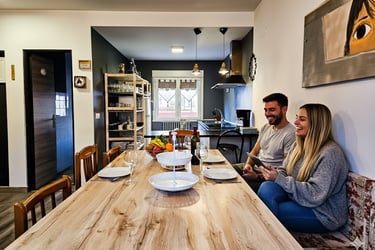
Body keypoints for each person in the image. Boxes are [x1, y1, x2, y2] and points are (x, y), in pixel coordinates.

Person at [257, 103, 349, 233]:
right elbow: (285, 169)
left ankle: (265, 238)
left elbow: (315, 195)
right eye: (296, 117)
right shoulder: (298, 144)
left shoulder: (331, 154)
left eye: (302, 119)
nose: (295, 122)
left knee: (269, 212)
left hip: (322, 213)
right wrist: (275, 173)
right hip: (299, 198)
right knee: (266, 187)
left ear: (316, 124)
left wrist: (279, 179)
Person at [235, 93, 295, 192]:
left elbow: (285, 170)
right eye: (266, 110)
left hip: (268, 179)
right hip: (255, 170)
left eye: (272, 110)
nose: (267, 114)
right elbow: (254, 151)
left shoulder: (290, 134)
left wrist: (257, 176)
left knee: (236, 186)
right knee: (228, 170)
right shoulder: (266, 127)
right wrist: (248, 165)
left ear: (284, 109)